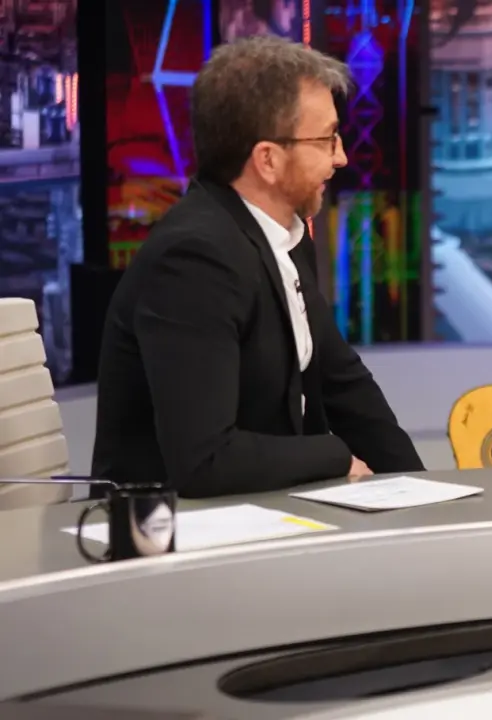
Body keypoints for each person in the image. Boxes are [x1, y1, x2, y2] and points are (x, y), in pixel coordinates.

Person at [93, 36, 424, 497]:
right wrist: (335, 456)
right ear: (267, 159)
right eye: (326, 139)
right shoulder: (193, 260)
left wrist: (426, 493)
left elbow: (343, 385)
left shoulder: (285, 236)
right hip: (168, 528)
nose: (342, 156)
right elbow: (204, 462)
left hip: (264, 510)